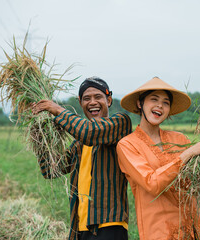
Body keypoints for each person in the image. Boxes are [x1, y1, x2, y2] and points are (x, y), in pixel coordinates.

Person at [116, 77, 200, 240]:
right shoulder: (127, 145)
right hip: (159, 232)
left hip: (193, 229)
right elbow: (152, 184)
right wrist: (188, 154)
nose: (159, 106)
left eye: (165, 102)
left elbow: (198, 184)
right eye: (154, 99)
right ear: (140, 104)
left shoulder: (179, 139)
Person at [32, 77, 132, 240]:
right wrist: (41, 133)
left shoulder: (120, 123)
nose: (92, 102)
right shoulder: (79, 144)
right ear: (80, 103)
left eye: (98, 97)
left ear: (108, 100)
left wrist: (55, 109)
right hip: (80, 228)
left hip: (109, 225)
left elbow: (90, 132)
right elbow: (50, 170)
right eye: (87, 98)